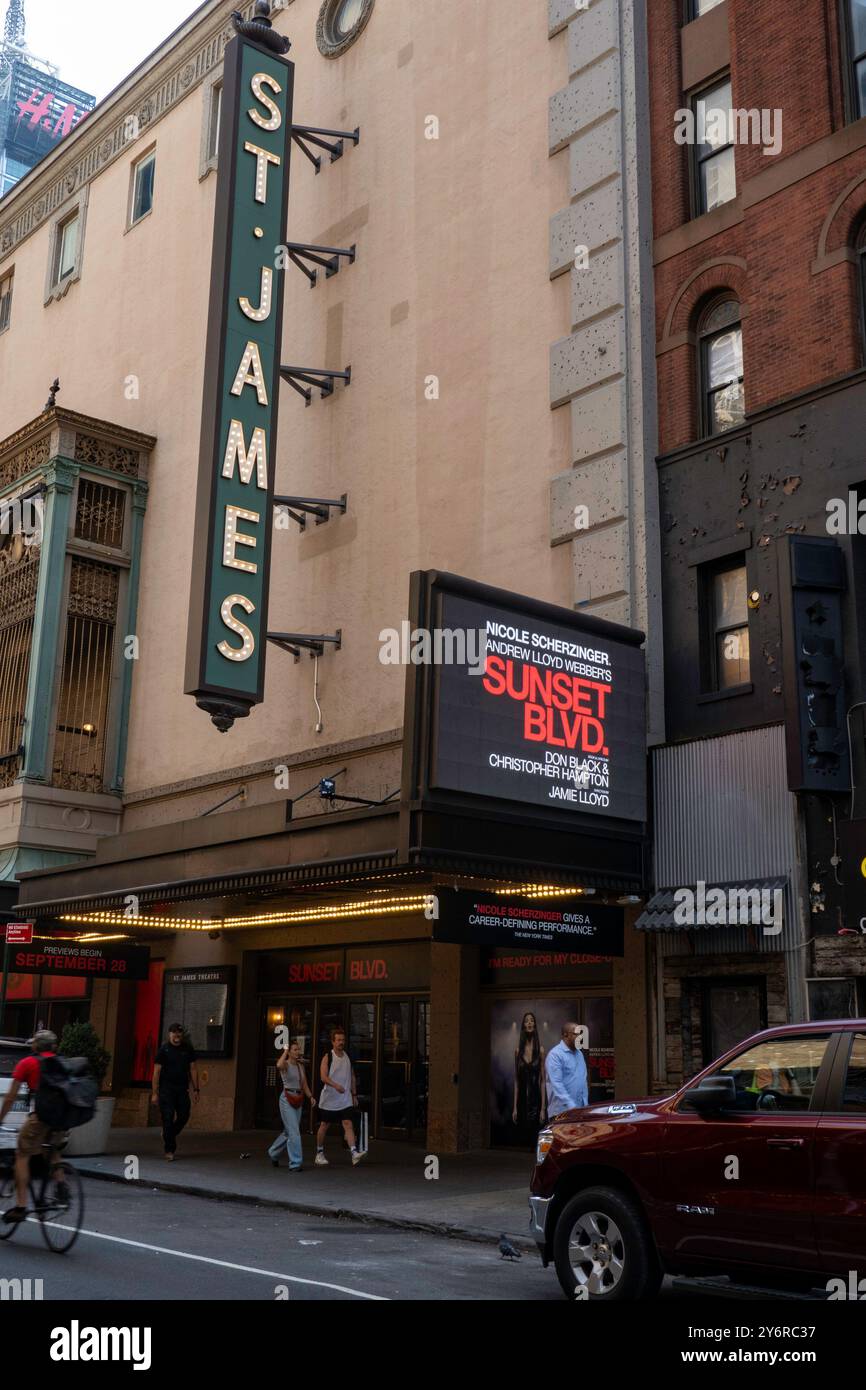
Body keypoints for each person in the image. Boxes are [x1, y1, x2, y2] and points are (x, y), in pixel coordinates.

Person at [0, 1030, 69, 1224]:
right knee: (52, 1150)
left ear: (36, 1045)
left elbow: (11, 1097)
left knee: (22, 1154)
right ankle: (62, 1188)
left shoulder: (28, 1063)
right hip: (62, 1118)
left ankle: (21, 1206)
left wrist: (0, 1119)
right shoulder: (62, 1062)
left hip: (40, 1117)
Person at [315, 1028, 364, 1166]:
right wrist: (335, 1085)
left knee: (348, 1123)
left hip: (345, 1099)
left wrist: (354, 1094)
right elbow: (323, 1077)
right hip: (329, 1099)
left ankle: (354, 1152)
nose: (341, 1042)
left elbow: (352, 1076)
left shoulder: (347, 1057)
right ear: (333, 1042)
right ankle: (319, 1153)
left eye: (343, 1040)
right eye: (338, 1040)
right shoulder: (328, 1057)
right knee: (324, 1125)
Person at [151, 1023, 199, 1160]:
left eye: (179, 1032)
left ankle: (168, 1133)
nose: (176, 1035)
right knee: (168, 1116)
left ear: (181, 1035)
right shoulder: (164, 1050)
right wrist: (155, 1093)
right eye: (173, 1032)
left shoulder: (188, 1049)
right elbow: (156, 1072)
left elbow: (193, 1069)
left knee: (184, 1115)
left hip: (182, 1089)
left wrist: (196, 1089)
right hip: (167, 1090)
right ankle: (169, 1150)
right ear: (169, 1034)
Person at [268, 1040, 314, 1171]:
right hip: (286, 1098)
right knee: (294, 1131)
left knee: (289, 1131)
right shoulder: (286, 1065)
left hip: (298, 1098)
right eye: (295, 1049)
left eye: (298, 1049)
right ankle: (295, 1163)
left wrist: (310, 1096)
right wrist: (285, 1051)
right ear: (290, 1052)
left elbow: (304, 1084)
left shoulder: (300, 1067)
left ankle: (273, 1152)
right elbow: (278, 1064)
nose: (298, 1051)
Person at [511, 1011, 546, 1139]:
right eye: (526, 1021)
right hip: (521, 1102)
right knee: (521, 1136)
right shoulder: (517, 1051)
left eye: (531, 1020)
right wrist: (514, 1107)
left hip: (535, 1102)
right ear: (523, 1026)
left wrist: (543, 1108)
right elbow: (516, 1080)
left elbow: (543, 1081)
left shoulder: (540, 1050)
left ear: (535, 1025)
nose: (529, 1022)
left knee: (534, 1137)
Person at [545, 1022, 588, 1119]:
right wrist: (571, 1106)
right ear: (565, 1034)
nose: (579, 1037)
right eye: (576, 1033)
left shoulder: (579, 1054)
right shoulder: (555, 1055)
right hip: (561, 1114)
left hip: (579, 1112)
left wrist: (584, 1106)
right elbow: (556, 1084)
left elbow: (583, 1080)